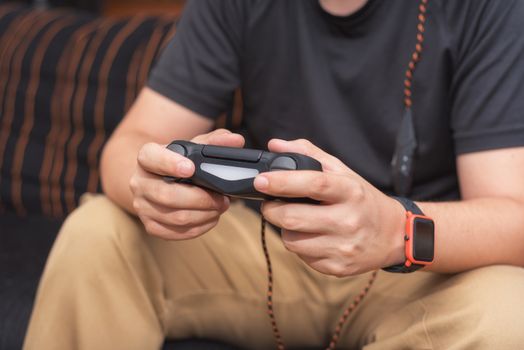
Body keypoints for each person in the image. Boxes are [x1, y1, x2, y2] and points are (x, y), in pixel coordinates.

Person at [24, 0, 524, 349]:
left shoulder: (487, 7)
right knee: (98, 233)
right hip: (270, 248)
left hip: (412, 268)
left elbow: (513, 220)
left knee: (508, 311)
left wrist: (394, 230)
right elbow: (126, 151)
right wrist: (157, 189)